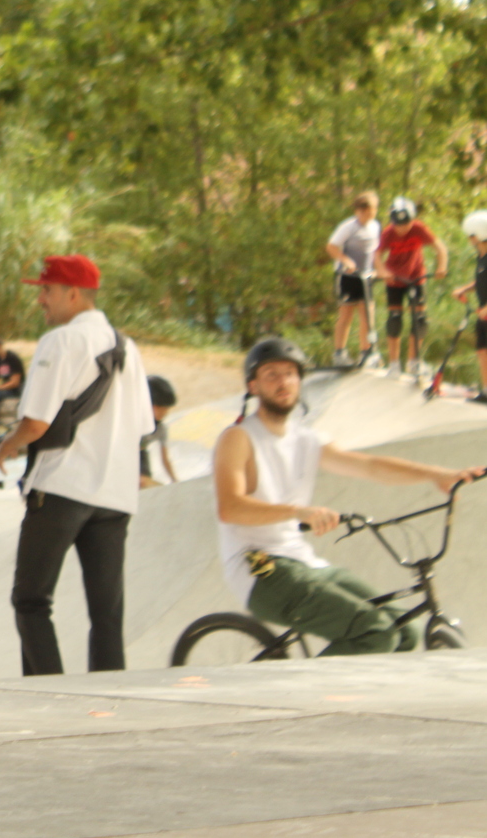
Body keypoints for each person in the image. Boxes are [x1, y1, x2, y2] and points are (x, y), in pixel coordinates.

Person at [212, 338, 476, 652]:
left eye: (290, 373)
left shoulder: (307, 440)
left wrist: (436, 475)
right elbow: (230, 508)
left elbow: (371, 466)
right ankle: (309, 699)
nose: (283, 381)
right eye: (271, 374)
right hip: (258, 568)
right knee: (375, 632)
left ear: (300, 381)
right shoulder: (238, 438)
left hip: (302, 561)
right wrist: (298, 512)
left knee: (404, 631)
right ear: (253, 386)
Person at [0, 255, 153, 676]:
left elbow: (36, 423)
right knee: (107, 613)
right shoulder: (127, 347)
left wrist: (7, 445)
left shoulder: (61, 342)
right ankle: (110, 696)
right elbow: (143, 425)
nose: (41, 301)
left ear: (72, 293)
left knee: (31, 600)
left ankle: (47, 692)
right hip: (115, 496)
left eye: (46, 291)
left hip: (63, 488)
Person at [375, 196, 447, 379]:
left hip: (416, 277)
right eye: (398, 224)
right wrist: (382, 271)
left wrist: (441, 267)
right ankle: (393, 365)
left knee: (420, 319)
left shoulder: (419, 229)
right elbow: (377, 255)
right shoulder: (388, 233)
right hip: (394, 279)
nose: (401, 228)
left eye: (405, 224)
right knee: (395, 319)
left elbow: (440, 247)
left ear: (412, 219)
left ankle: (414, 362)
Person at [326, 192, 380, 366]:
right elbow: (331, 247)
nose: (370, 215)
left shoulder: (375, 227)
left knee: (368, 314)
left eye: (373, 211)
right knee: (346, 314)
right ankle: (339, 353)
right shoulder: (348, 227)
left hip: (366, 276)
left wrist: (379, 269)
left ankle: (367, 352)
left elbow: (375, 251)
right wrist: (345, 260)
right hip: (348, 277)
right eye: (366, 212)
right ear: (358, 211)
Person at [451, 211, 487, 405]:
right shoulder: (481, 256)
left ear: (478, 235)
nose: (469, 239)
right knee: (482, 350)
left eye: (470, 236)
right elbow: (481, 280)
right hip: (482, 313)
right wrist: (465, 289)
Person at [139, 375, 180, 487]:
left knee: (144, 483)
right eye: (159, 407)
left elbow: (165, 459)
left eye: (166, 409)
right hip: (123, 454)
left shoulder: (161, 429)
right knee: (141, 482)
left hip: (140, 455)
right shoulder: (133, 423)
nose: (164, 412)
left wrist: (174, 480)